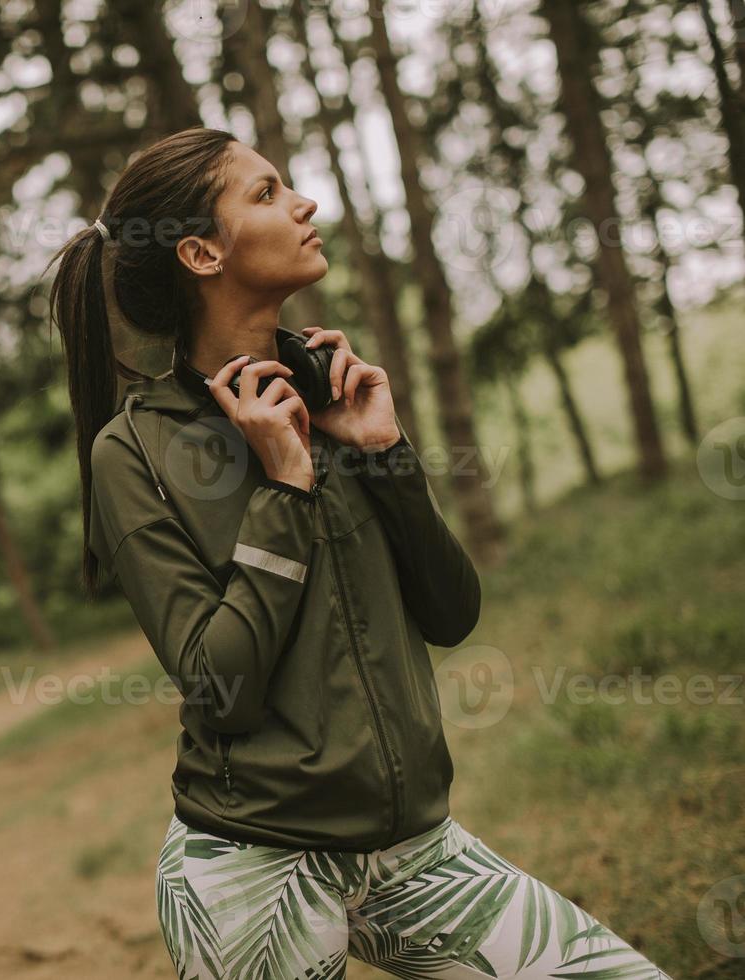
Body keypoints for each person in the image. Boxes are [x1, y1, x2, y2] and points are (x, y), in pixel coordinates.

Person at [46, 127, 670, 979]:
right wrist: (285, 488)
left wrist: (385, 454)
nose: (305, 205)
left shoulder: (334, 394)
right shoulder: (138, 451)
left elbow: (453, 613)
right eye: (265, 194)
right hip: (253, 871)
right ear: (198, 251)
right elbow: (216, 686)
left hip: (417, 852)